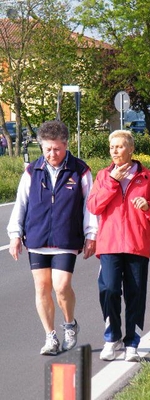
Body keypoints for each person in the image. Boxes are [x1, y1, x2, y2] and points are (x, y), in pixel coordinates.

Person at [7, 120, 98, 355]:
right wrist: (15, 235)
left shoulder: (80, 170)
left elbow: (90, 206)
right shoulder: (32, 171)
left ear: (66, 145)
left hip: (66, 238)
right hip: (37, 238)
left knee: (61, 286)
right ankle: (51, 337)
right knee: (41, 287)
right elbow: (21, 204)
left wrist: (91, 235)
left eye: (56, 148)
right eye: (47, 148)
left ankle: (69, 324)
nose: (52, 154)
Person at [87, 130, 150, 362]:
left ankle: (132, 342)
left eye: (119, 146)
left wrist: (148, 208)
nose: (114, 150)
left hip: (137, 243)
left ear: (131, 149)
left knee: (135, 294)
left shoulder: (147, 178)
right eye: (111, 147)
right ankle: (112, 338)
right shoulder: (104, 176)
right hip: (109, 244)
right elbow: (93, 206)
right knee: (110, 290)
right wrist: (113, 182)